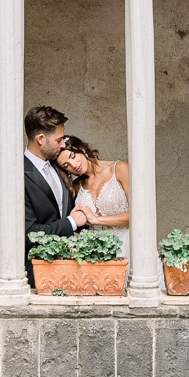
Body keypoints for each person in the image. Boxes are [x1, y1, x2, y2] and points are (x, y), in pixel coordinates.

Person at [22, 104, 87, 285]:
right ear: (41, 139)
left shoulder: (59, 163)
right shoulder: (19, 174)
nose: (63, 144)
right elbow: (29, 233)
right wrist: (71, 223)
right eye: (58, 140)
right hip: (40, 273)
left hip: (73, 269)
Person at [55, 134, 129, 249]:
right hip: (94, 251)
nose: (74, 165)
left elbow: (139, 216)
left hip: (127, 245)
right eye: (66, 165)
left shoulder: (120, 169)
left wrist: (97, 220)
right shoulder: (76, 187)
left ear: (81, 149)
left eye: (73, 156)